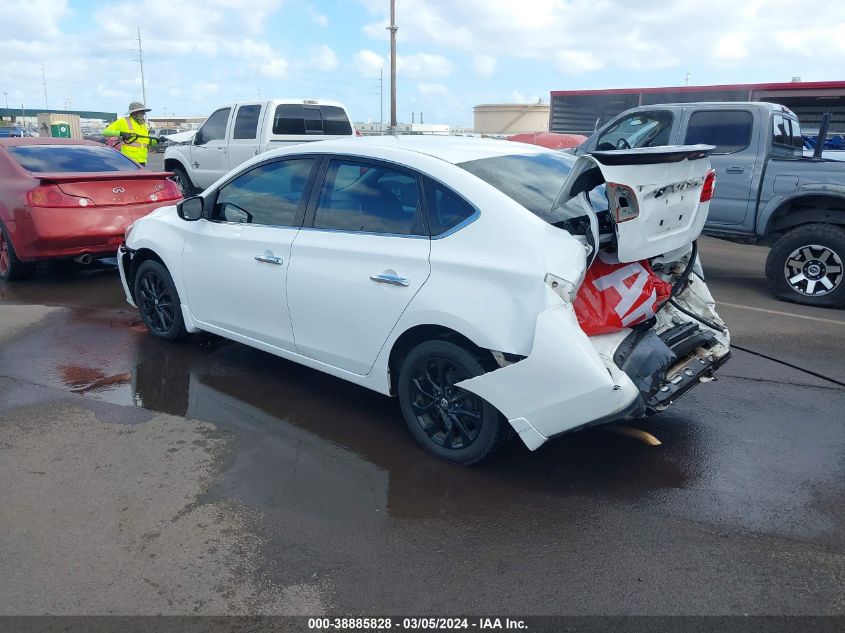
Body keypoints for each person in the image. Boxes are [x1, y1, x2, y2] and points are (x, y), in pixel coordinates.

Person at [101, 102, 167, 166]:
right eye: (141, 112)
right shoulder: (123, 121)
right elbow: (104, 132)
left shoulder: (144, 125)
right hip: (129, 160)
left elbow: (145, 142)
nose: (143, 114)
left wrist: (157, 140)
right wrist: (121, 133)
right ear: (135, 112)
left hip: (142, 160)